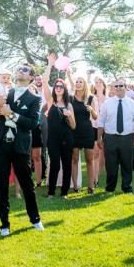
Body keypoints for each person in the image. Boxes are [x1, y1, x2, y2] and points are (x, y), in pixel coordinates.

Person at [0, 65, 44, 236]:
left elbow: (33, 123)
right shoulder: (6, 93)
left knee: (27, 184)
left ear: (31, 77)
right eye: (19, 69)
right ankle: (4, 224)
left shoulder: (34, 98)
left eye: (25, 70)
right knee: (1, 184)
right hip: (1, 145)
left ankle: (35, 219)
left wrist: (12, 114)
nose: (21, 71)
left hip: (20, 146)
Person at [97, 78, 134, 194]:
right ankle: (110, 188)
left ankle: (127, 188)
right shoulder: (108, 103)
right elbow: (101, 122)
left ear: (125, 87)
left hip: (127, 137)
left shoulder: (133, 104)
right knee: (110, 165)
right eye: (115, 86)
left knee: (127, 164)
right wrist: (99, 138)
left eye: (120, 86)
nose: (117, 88)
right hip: (110, 137)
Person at [43, 55, 77, 199]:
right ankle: (51, 192)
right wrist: (50, 64)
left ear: (64, 88)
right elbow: (44, 81)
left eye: (61, 86)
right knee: (55, 164)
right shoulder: (50, 101)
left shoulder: (69, 105)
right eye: (56, 86)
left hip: (67, 138)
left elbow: (74, 126)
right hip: (53, 139)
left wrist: (69, 115)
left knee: (67, 165)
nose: (58, 88)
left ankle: (64, 192)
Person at [69, 75, 98, 195]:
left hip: (87, 131)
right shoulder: (70, 98)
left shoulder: (90, 98)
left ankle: (91, 187)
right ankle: (75, 186)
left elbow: (96, 117)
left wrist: (92, 110)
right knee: (74, 159)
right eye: (77, 82)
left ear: (85, 84)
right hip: (73, 131)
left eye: (81, 82)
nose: (78, 83)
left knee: (89, 159)